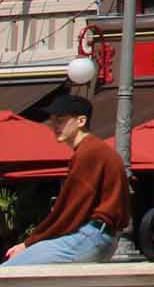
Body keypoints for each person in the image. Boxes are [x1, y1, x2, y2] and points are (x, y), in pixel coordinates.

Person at [2, 94, 129, 269]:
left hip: (88, 236)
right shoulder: (96, 149)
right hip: (99, 236)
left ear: (81, 121)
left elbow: (69, 211)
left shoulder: (89, 153)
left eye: (61, 120)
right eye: (53, 120)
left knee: (7, 273)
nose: (55, 126)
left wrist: (28, 244)